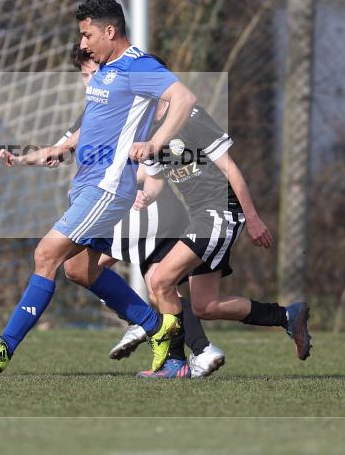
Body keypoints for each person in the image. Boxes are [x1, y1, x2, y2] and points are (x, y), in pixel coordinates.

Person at [0, 0, 197, 375]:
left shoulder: (137, 66)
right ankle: (158, 330)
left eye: (87, 34)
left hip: (108, 188)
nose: (83, 44)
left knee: (45, 255)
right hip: (88, 186)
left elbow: (184, 98)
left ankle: (5, 346)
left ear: (110, 31)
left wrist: (156, 143)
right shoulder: (104, 73)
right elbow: (76, 138)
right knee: (79, 270)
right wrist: (25, 156)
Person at [0, 45, 224, 378]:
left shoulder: (134, 100)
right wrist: (19, 159)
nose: (89, 83)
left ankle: (185, 343)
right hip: (113, 199)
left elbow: (159, 159)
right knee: (81, 269)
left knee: (153, 280)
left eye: (92, 75)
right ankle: (162, 340)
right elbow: (59, 150)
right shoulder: (96, 107)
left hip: (131, 203)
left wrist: (148, 176)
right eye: (86, 77)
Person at [133, 99, 312, 378]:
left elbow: (231, 170)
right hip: (201, 217)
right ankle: (287, 316)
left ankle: (175, 363)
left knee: (159, 279)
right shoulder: (149, 130)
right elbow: (156, 177)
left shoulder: (190, 118)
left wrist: (252, 218)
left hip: (219, 212)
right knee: (205, 305)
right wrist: (146, 195)